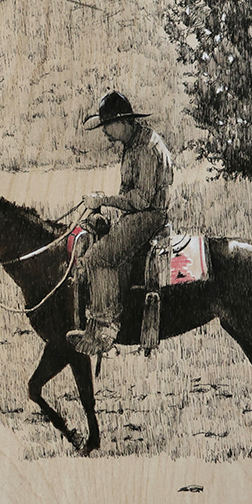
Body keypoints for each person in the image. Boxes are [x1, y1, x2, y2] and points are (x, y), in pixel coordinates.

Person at [66, 91, 174, 356]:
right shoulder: (132, 144)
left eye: (108, 126)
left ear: (123, 122)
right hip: (138, 215)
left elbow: (140, 199)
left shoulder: (147, 148)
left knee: (97, 258)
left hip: (150, 216)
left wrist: (105, 199)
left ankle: (105, 328)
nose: (105, 133)